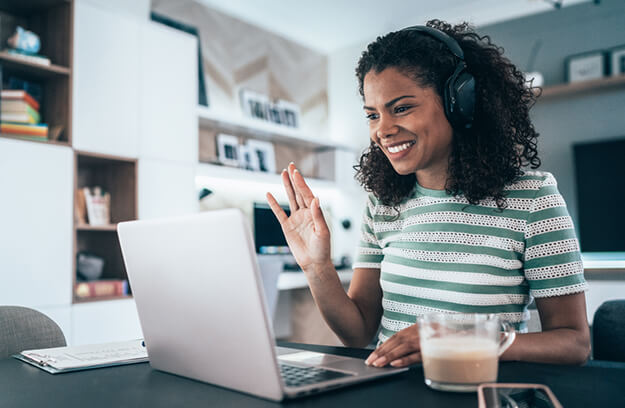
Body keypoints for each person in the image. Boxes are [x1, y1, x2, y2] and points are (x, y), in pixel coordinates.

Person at [266, 20, 590, 367]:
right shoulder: (382, 205)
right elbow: (358, 333)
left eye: (401, 108)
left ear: (459, 103)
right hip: (387, 390)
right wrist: (317, 268)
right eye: (373, 115)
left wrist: (463, 342)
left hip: (473, 389)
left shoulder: (533, 199)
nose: (383, 130)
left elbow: (574, 343)